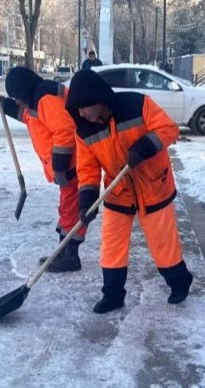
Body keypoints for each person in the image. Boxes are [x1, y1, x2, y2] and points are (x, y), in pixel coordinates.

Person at [65, 68, 193, 313]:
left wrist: (145, 146)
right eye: (77, 109)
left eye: (85, 107)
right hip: (118, 190)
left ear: (99, 99)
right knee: (111, 246)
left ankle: (179, 281)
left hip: (153, 185)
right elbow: (88, 168)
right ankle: (113, 295)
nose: (82, 113)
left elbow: (168, 129)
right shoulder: (84, 130)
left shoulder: (136, 105)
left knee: (162, 243)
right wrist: (87, 199)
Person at [0, 66, 86, 272]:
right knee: (67, 207)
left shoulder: (46, 98)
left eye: (16, 97)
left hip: (73, 164)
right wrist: (6, 105)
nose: (17, 101)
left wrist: (60, 166)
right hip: (67, 166)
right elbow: (30, 118)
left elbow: (65, 130)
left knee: (71, 209)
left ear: (24, 91)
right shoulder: (37, 98)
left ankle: (70, 256)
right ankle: (63, 251)